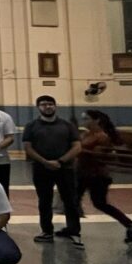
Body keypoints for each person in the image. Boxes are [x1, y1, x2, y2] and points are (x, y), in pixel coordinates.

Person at [22, 95, 83, 248]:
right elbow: (28, 147)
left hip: (65, 169)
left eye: (50, 104)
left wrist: (60, 161)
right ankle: (47, 231)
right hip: (41, 169)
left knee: (70, 201)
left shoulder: (67, 125)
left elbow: (77, 146)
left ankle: (74, 231)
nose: (47, 107)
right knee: (44, 201)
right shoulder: (31, 126)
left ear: (55, 106)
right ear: (38, 107)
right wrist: (45, 162)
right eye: (43, 104)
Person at [78, 110, 132, 244]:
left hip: (97, 175)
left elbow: (100, 155)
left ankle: (131, 225)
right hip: (82, 172)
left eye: (86, 119)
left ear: (96, 120)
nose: (83, 121)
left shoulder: (102, 136)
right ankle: (72, 228)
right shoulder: (86, 134)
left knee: (100, 203)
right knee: (73, 200)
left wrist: (77, 149)